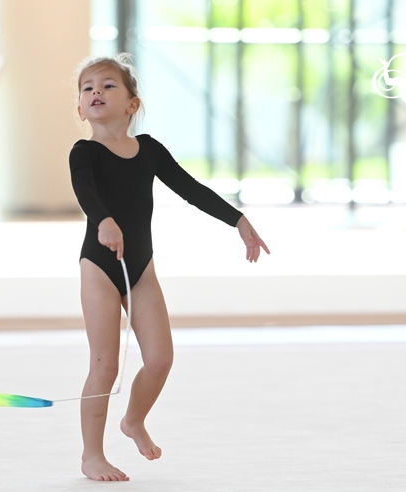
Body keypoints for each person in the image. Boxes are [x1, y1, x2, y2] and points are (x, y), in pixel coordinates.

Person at [69, 53, 270, 482]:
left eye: (107, 85)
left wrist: (238, 220)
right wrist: (103, 220)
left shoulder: (151, 151)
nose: (96, 92)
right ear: (80, 108)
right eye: (88, 88)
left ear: (132, 104)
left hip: (141, 267)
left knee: (160, 359)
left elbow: (191, 189)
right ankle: (91, 454)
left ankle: (134, 419)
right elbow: (85, 191)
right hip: (100, 265)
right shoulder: (83, 152)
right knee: (105, 364)